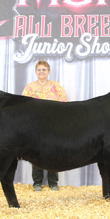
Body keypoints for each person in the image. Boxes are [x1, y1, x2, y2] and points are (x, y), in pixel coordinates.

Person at [22, 60, 68, 191]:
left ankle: (53, 182)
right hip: (35, 125)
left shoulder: (55, 86)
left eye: (44, 69)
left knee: (53, 152)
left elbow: (65, 104)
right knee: (35, 153)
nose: (41, 72)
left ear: (48, 72)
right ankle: (37, 182)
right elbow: (23, 106)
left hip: (53, 124)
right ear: (36, 72)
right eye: (39, 69)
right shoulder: (29, 87)